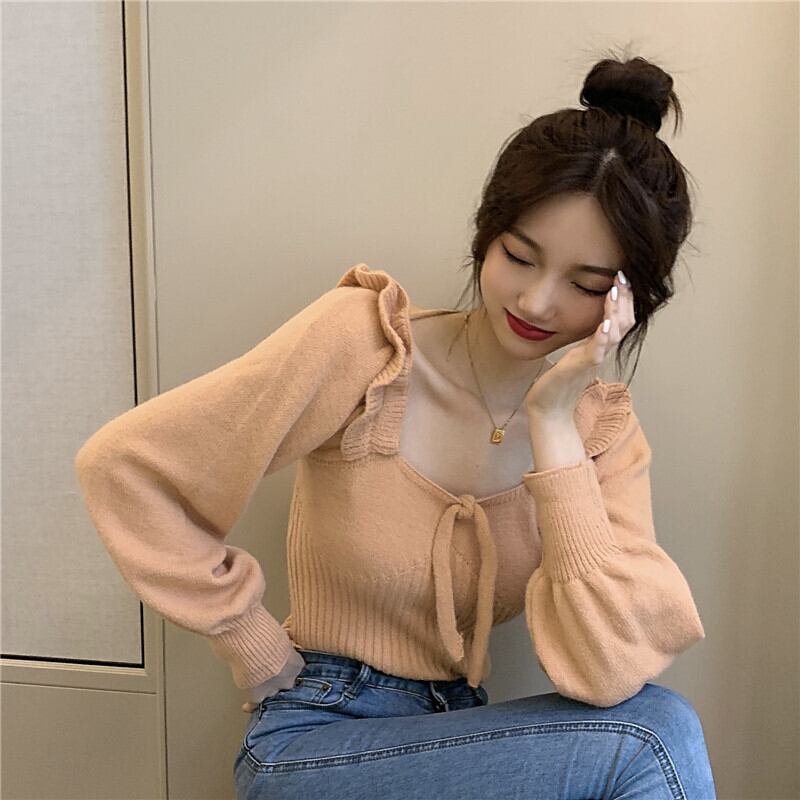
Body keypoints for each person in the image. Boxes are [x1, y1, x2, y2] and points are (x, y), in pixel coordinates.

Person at [74, 50, 717, 799]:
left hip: (453, 739)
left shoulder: (601, 438)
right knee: (655, 737)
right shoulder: (368, 347)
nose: (537, 302)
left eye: (585, 283)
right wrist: (249, 642)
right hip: (313, 735)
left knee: (651, 725)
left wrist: (553, 424)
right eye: (520, 256)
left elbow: (608, 672)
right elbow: (125, 466)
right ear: (487, 233)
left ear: (629, 300)